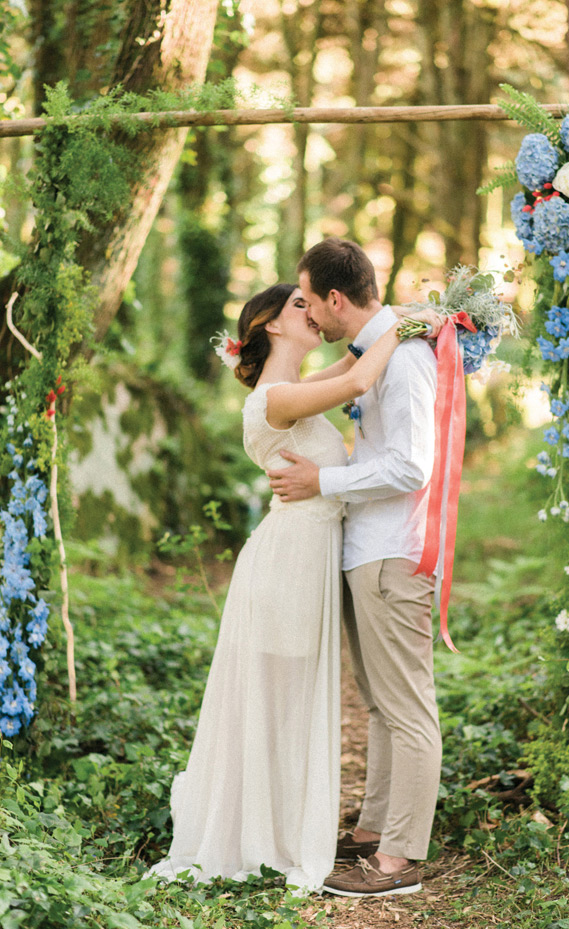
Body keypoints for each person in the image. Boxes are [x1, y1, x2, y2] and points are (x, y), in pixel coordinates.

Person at [149, 281, 442, 893]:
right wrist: (409, 325)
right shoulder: (277, 398)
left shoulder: (296, 389)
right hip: (288, 562)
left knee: (293, 695)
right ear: (271, 325)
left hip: (313, 555)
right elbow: (360, 381)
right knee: (278, 695)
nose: (313, 313)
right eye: (298, 307)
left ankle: (281, 823)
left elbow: (353, 361)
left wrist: (406, 319)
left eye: (313, 302)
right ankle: (264, 832)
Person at [267, 237, 442, 898]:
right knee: (379, 703)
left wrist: (325, 482)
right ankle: (374, 829)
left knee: (408, 706)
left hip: (395, 552)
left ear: (335, 298)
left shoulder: (407, 358)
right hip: (366, 548)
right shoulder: (376, 349)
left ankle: (399, 860)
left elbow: (411, 465)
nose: (309, 313)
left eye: (310, 300)